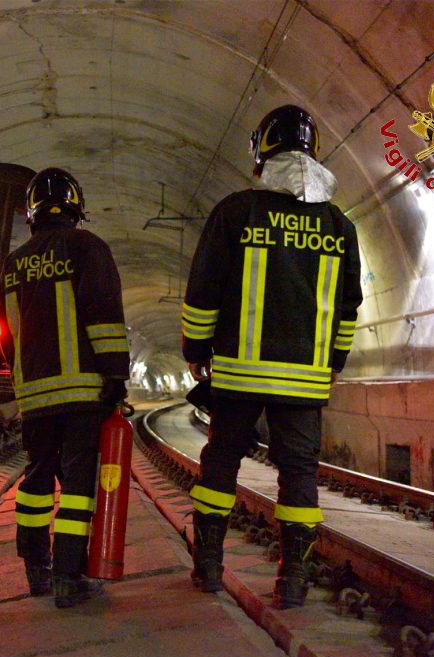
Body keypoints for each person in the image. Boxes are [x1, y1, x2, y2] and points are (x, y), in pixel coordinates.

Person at [182, 105, 362, 609]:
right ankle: (294, 581)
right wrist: (334, 360)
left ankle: (210, 566)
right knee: (299, 474)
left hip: (239, 374)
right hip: (304, 381)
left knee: (221, 463)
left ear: (261, 153)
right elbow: (348, 305)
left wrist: (196, 350)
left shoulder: (236, 212)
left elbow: (204, 290)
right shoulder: (339, 227)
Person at [0, 167, 129, 608]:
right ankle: (68, 578)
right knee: (76, 483)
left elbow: (7, 336)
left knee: (36, 476)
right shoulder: (87, 248)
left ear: (31, 214)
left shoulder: (13, 265)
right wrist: (114, 376)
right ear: (76, 209)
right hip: (82, 393)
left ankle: (36, 569)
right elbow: (104, 315)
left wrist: (24, 379)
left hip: (35, 395)